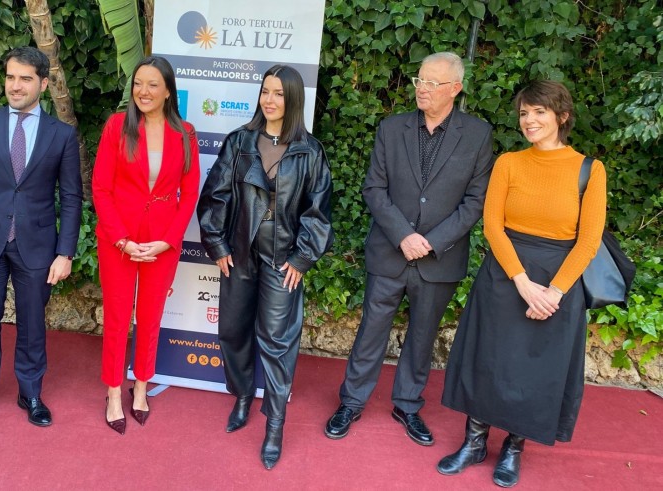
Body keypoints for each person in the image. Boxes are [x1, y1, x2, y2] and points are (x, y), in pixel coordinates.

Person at [438, 80, 606, 488]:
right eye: (524, 113)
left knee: (534, 371)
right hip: (505, 274)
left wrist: (554, 291)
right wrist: (522, 282)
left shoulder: (590, 170)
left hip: (558, 283)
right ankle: (474, 441)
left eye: (539, 112)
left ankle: (514, 447)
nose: (529, 120)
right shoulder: (509, 163)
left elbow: (589, 240)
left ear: (561, 117)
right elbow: (493, 226)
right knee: (487, 360)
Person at [323, 52, 494, 445]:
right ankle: (351, 401)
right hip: (390, 250)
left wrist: (431, 242)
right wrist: (403, 235)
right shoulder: (391, 128)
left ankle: (408, 404)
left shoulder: (478, 134)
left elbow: (475, 201)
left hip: (440, 257)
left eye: (433, 83)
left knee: (422, 335)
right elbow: (374, 189)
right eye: (420, 79)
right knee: (370, 330)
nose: (422, 88)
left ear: (455, 88)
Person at [198, 64, 334, 469]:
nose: (270, 100)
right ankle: (242, 395)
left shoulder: (309, 151)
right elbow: (215, 195)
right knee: (234, 329)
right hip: (239, 251)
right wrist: (218, 243)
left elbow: (318, 209)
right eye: (265, 91)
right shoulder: (240, 141)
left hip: (283, 258)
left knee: (277, 342)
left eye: (278, 93)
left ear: (293, 100)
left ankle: (274, 423)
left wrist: (303, 256)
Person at [0, 46, 82, 429]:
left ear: (43, 82)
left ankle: (31, 392)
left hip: (38, 246)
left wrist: (66, 252)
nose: (15, 85)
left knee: (32, 324)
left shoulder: (61, 135)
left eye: (25, 78)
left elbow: (71, 197)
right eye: (10, 77)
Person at [93, 56, 200, 435]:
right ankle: (112, 391)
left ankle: (141, 387)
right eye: (138, 83)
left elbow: (189, 195)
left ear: (168, 90)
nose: (144, 91)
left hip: (161, 242)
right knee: (118, 317)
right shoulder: (117, 126)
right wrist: (121, 238)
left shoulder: (185, 133)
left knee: (150, 318)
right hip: (117, 238)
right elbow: (101, 188)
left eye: (153, 84)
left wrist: (167, 241)